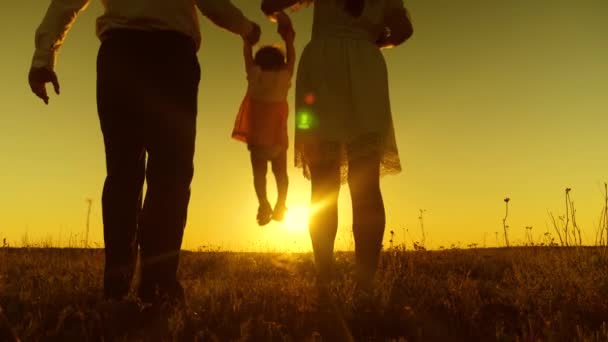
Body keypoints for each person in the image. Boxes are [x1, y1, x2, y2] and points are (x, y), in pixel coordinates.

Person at [28, 0, 261, 305]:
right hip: (171, 57)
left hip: (121, 56)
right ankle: (157, 283)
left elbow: (65, 4)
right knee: (170, 174)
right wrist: (246, 28)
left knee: (125, 172)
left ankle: (120, 284)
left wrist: (43, 58)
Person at [261, 0, 413, 290]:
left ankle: (325, 278)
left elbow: (269, 3)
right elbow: (403, 29)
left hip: (322, 65)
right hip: (365, 65)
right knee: (366, 184)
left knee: (322, 183)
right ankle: (365, 283)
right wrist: (373, 39)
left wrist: (282, 18)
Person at [232, 12, 296, 226]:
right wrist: (288, 40)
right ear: (280, 62)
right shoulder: (283, 78)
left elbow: (247, 57)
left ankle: (263, 203)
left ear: (259, 61)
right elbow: (292, 60)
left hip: (257, 138)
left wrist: (246, 40)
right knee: (281, 175)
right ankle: (281, 203)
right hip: (278, 139)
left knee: (259, 176)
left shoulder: (255, 76)